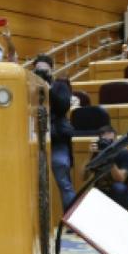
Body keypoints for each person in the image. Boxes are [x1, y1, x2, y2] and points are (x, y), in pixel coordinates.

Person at [90, 125, 128, 210]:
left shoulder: (125, 153)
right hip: (100, 192)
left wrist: (109, 158)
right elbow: (83, 177)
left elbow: (120, 179)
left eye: (110, 141)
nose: (108, 145)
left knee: (119, 188)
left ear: (116, 141)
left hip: (119, 195)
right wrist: (91, 156)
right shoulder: (97, 154)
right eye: (104, 141)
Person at [49, 77, 76, 210]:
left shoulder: (59, 86)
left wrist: (49, 89)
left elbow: (62, 105)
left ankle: (72, 219)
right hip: (35, 138)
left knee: (64, 183)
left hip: (57, 139)